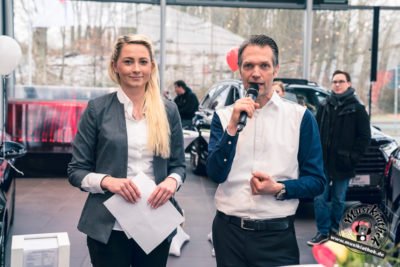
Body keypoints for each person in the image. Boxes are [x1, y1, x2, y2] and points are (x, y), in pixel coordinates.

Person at [206, 34, 326, 267]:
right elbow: (216, 173)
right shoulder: (223, 117)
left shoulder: (300, 117)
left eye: (264, 65)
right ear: (239, 71)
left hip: (277, 237)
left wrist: (279, 188)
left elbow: (317, 181)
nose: (256, 73)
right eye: (248, 65)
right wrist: (232, 128)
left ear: (275, 69)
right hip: (228, 234)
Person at [68, 34, 186, 267]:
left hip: (154, 220)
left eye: (143, 62)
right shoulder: (97, 109)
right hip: (108, 226)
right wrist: (108, 181)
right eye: (128, 61)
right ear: (115, 66)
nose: (136, 69)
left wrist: (172, 182)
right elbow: (76, 171)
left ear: (152, 67)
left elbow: (179, 165)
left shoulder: (168, 111)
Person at [307, 70, 371, 246]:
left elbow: (365, 137)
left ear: (348, 84)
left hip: (343, 163)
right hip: (323, 162)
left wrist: (352, 157)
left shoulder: (357, 108)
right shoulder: (324, 105)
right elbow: (314, 132)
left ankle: (335, 230)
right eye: (334, 81)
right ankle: (322, 232)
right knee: (319, 198)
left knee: (338, 199)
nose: (337, 84)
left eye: (341, 81)